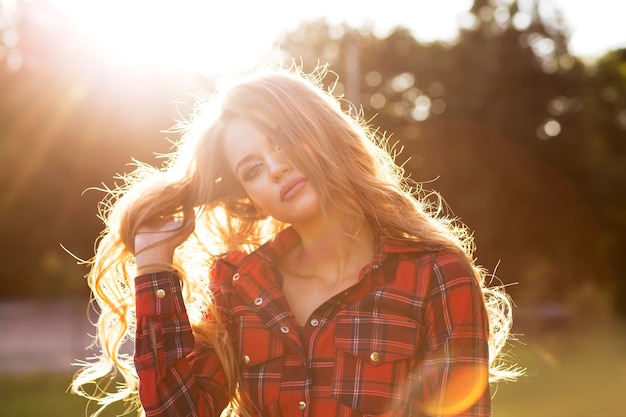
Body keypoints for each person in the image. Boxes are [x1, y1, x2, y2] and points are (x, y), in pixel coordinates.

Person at [72, 66, 521, 417]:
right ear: (249, 194)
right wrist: (153, 261)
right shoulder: (239, 284)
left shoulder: (436, 275)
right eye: (251, 168)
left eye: (283, 139)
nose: (275, 168)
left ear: (321, 130)